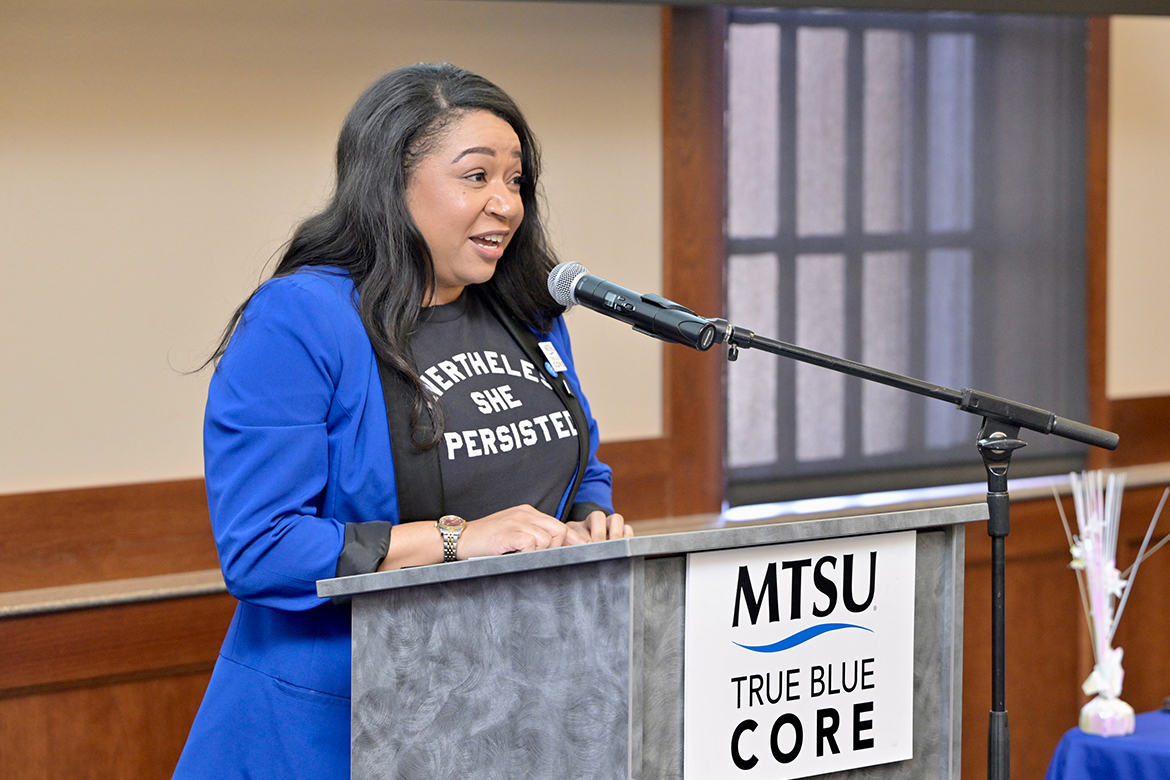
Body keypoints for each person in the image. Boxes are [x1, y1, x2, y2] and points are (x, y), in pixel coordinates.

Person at [172, 63, 630, 780]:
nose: (506, 204)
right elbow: (262, 548)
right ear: (391, 180)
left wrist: (590, 515)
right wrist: (459, 540)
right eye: (476, 176)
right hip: (335, 722)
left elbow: (577, 463)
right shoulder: (302, 320)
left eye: (515, 180)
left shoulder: (525, 314)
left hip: (512, 706)